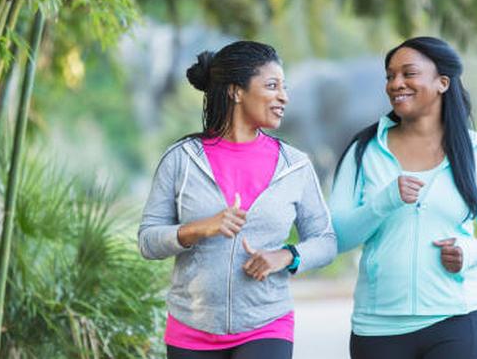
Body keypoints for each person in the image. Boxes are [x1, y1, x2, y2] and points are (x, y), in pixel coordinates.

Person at [139, 41, 336, 359]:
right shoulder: (182, 159)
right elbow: (148, 241)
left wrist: (286, 256)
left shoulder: (294, 164)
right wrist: (197, 229)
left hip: (267, 324)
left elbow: (325, 241)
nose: (284, 96)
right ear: (235, 91)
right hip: (191, 329)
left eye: (283, 87)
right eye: (272, 86)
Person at [330, 36, 477, 359]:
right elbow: (337, 235)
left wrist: (471, 251)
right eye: (390, 76)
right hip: (378, 328)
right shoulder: (363, 151)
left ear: (442, 82)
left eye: (408, 73)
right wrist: (385, 200)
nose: (395, 84)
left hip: (458, 320)